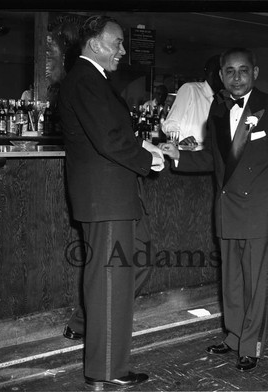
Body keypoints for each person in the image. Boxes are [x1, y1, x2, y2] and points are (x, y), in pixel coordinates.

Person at [160, 47, 268, 372]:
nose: (236, 77)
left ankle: (250, 344)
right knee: (232, 279)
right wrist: (179, 156)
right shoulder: (219, 107)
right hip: (227, 208)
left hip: (259, 210)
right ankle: (234, 335)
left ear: (254, 73)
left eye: (243, 70)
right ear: (221, 75)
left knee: (255, 281)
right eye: (229, 71)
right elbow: (217, 157)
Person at [58, 15, 164, 388]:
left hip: (116, 195)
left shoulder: (94, 80)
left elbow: (112, 133)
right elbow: (109, 140)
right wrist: (146, 159)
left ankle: (83, 322)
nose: (122, 50)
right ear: (95, 43)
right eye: (117, 43)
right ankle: (106, 370)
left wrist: (144, 145)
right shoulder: (86, 80)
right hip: (106, 199)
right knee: (111, 280)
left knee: (142, 259)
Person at [162, 55, 223, 146]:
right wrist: (181, 141)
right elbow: (170, 123)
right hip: (189, 154)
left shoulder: (223, 99)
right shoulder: (190, 89)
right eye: (223, 73)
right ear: (211, 73)